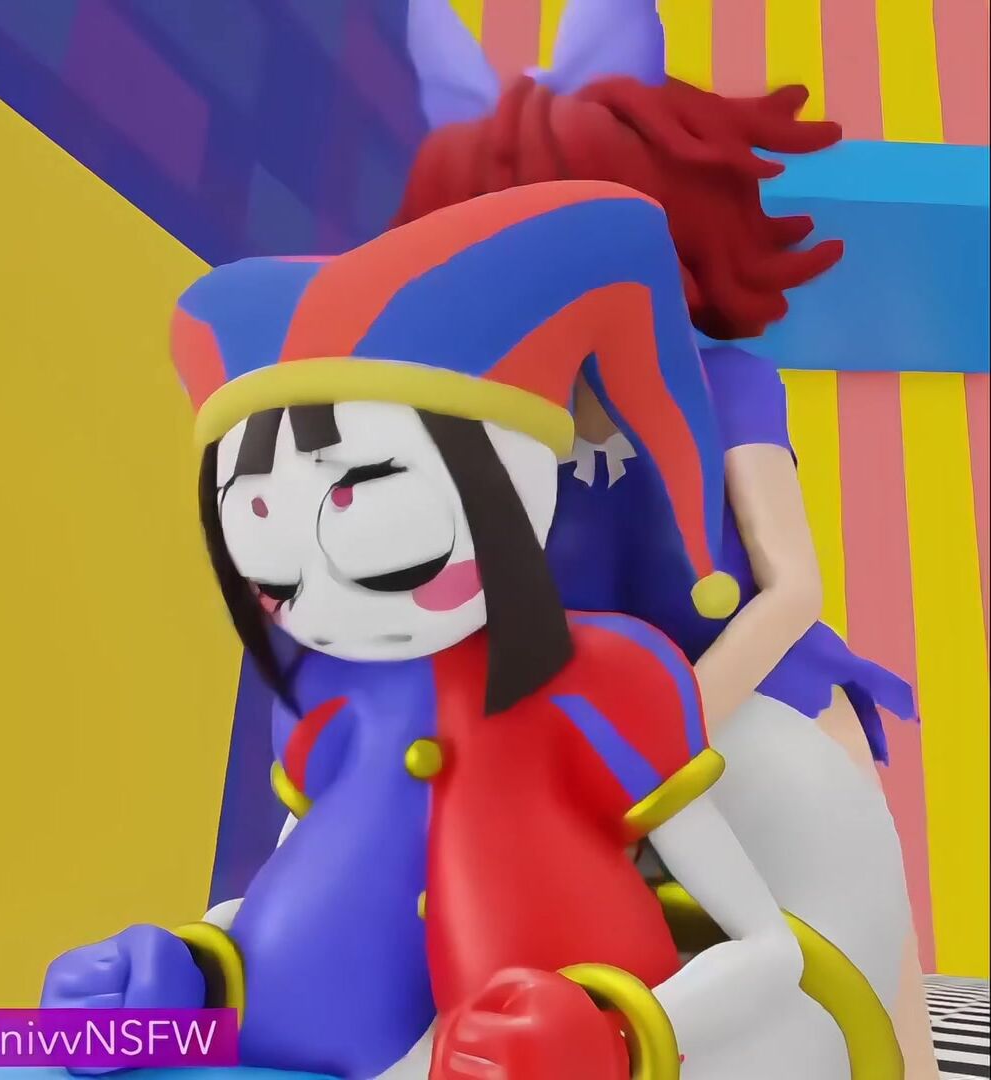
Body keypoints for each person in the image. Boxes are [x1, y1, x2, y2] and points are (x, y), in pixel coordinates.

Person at [41, 185, 898, 1079]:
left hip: (602, 957)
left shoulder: (606, 684)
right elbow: (289, 890)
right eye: (269, 549)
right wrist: (176, 972)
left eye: (365, 505)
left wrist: (620, 1035)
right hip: (276, 1048)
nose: (319, 587)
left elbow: (769, 950)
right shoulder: (328, 690)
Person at [399, 2, 937, 1077]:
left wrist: (662, 725)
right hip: (562, 720)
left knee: (864, 929)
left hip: (748, 693)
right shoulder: (487, 418)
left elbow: (790, 588)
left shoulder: (726, 386)